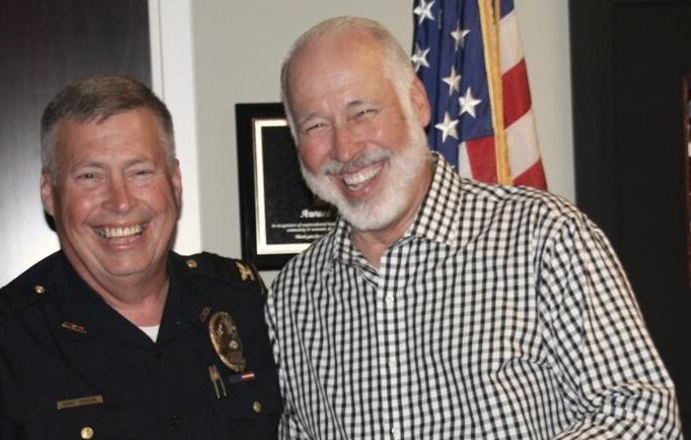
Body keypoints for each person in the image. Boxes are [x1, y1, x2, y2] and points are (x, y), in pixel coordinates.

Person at [265, 16, 682, 439]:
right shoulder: (293, 296)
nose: (344, 148)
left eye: (363, 112)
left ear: (417, 102)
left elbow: (645, 418)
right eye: (316, 125)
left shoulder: (545, 238)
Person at [0, 76, 281, 439]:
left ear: (175, 182)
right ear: (49, 193)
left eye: (140, 172)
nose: (120, 202)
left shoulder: (243, 303)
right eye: (89, 176)